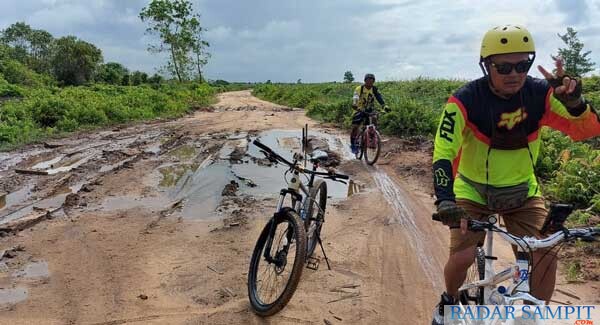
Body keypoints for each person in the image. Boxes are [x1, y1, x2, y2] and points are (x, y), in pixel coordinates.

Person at [431, 25, 600, 325]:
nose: (514, 74)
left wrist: (575, 104)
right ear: (486, 66)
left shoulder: (540, 94)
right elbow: (443, 152)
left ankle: (534, 317)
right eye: (503, 66)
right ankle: (448, 303)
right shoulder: (464, 100)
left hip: (522, 192)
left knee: (545, 255)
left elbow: (586, 129)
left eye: (523, 65)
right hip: (472, 191)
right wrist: (445, 201)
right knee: (463, 257)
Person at [350, 73, 388, 154]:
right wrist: (355, 104)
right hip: (359, 109)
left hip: (369, 109)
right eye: (368, 81)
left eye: (372, 81)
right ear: (365, 81)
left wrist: (384, 106)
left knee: (374, 119)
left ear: (373, 82)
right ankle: (353, 144)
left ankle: (372, 137)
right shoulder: (359, 89)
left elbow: (379, 97)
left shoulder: (374, 89)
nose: (370, 83)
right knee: (355, 127)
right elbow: (355, 98)